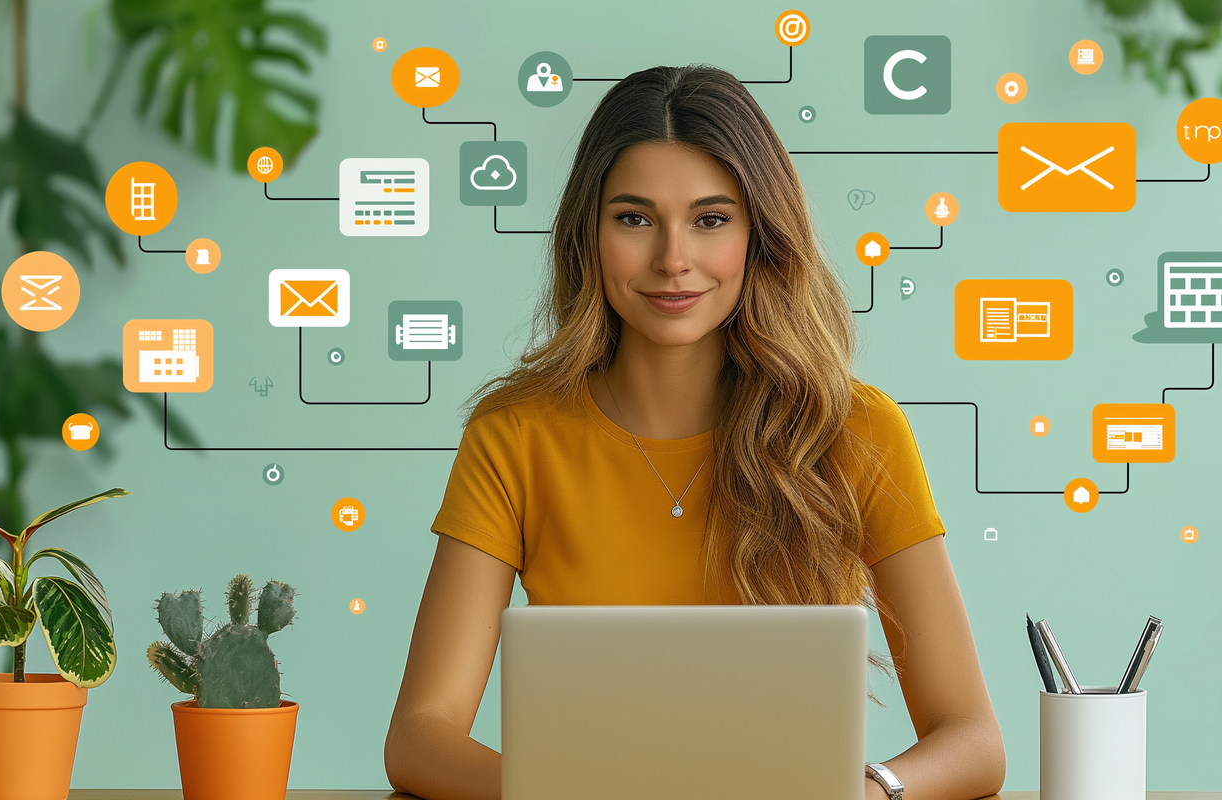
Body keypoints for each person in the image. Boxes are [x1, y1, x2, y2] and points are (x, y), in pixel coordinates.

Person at [384, 65, 1005, 800]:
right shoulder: (514, 435)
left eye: (711, 219)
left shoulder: (858, 431)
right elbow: (420, 736)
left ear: (760, 236)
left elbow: (974, 741)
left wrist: (869, 793)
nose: (673, 259)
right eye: (634, 218)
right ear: (590, 232)